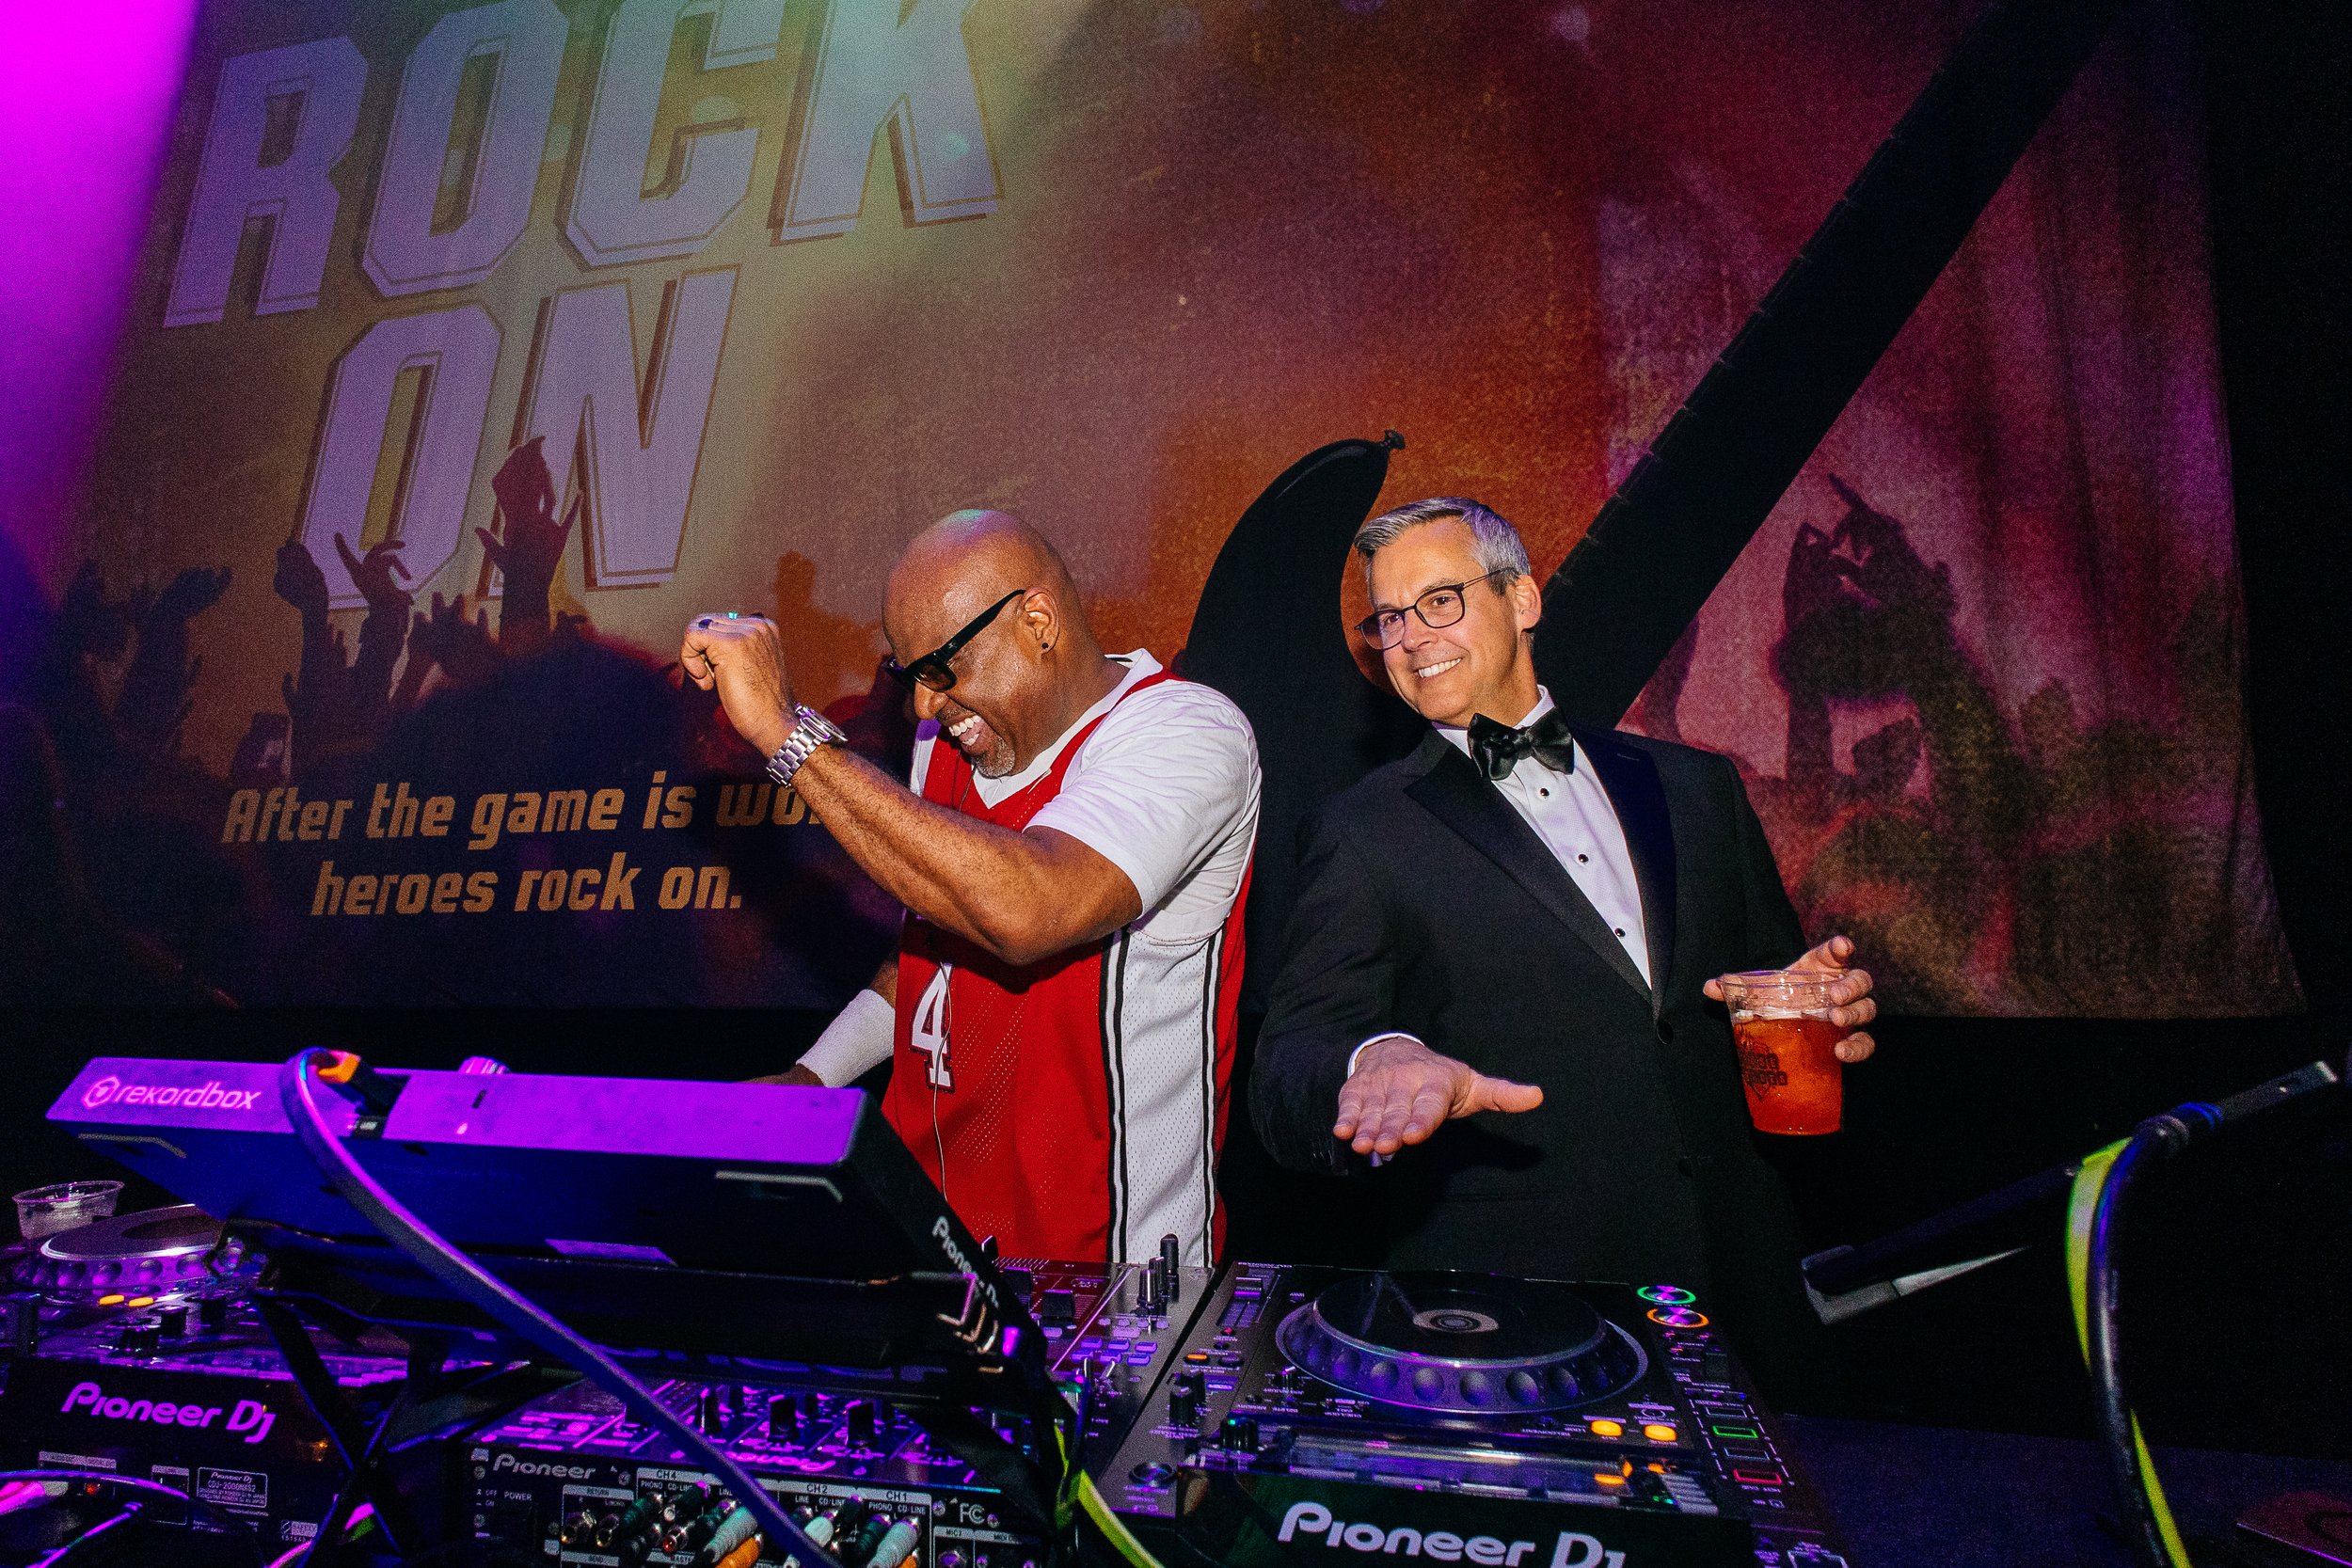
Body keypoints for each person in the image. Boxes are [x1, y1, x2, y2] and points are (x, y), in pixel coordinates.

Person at [1248, 497, 1876, 1402]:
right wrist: (1376, 1055)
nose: (1410, 638)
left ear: (1524, 599)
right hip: (1526, 1314)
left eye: (1439, 601)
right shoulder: (1362, 831)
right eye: (1389, 618)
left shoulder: (1697, 787)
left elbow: (1764, 994)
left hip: (1746, 1290)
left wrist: (1813, 1008)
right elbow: (1290, 1065)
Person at [681, 511, 1260, 1267]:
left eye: (942, 669)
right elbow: (933, 950)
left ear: (1038, 621)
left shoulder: (1185, 732)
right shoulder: (946, 740)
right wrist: (813, 1076)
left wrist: (787, 733)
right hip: (931, 1247)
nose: (924, 705)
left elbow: (1028, 911)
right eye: (908, 674)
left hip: (1103, 1280)